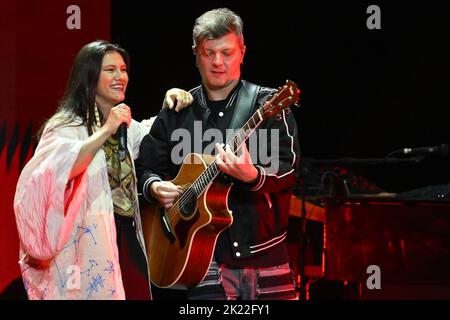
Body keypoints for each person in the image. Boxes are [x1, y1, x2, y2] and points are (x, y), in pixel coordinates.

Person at [135, 8, 300, 300]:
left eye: (227, 52)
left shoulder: (269, 105)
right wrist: (154, 187)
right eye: (209, 52)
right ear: (196, 54)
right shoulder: (177, 111)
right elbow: (143, 168)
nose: (218, 62)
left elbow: (288, 171)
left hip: (266, 256)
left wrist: (253, 176)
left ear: (242, 52)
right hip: (200, 261)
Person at [13, 40, 193, 300]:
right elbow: (55, 171)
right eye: (110, 70)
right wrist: (105, 130)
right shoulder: (65, 126)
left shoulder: (125, 128)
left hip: (126, 240)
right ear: (90, 76)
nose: (121, 76)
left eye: (123, 69)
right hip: (84, 245)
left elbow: (155, 136)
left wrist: (170, 104)